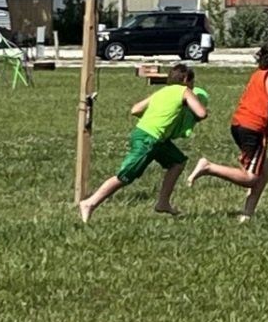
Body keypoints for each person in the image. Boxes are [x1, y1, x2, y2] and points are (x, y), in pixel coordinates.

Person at [78, 64, 209, 222]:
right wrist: (191, 108)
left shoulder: (162, 92)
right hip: (149, 139)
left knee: (178, 162)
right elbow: (201, 113)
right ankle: (90, 203)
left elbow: (135, 110)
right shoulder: (185, 91)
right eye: (192, 82)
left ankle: (163, 202)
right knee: (126, 175)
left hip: (151, 136)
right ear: (187, 79)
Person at [192, 40, 268, 220]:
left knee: (264, 170)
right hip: (254, 128)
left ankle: (247, 214)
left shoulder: (258, 74)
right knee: (251, 178)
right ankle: (208, 167)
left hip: (238, 124)